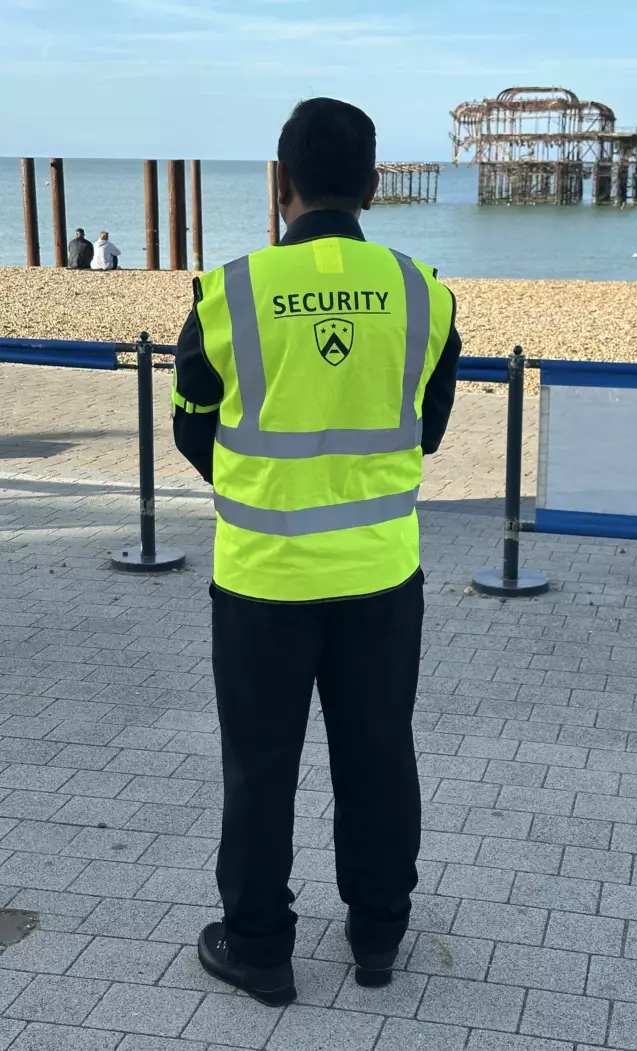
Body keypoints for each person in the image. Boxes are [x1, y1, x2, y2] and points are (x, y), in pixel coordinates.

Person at [172, 97, 461, 1007]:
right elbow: (429, 430)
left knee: (259, 765)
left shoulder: (228, 293)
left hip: (262, 579)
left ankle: (259, 945)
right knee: (379, 755)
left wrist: (268, 484)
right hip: (380, 575)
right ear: (374, 185)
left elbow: (192, 432)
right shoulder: (425, 293)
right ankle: (378, 933)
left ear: (281, 182)